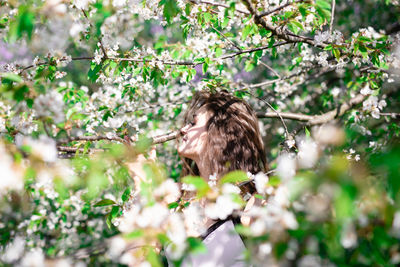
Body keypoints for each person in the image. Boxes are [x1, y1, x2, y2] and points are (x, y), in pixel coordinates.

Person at [172, 90, 267, 266]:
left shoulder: (252, 206)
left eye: (193, 123)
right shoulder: (179, 198)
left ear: (219, 133)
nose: (183, 129)